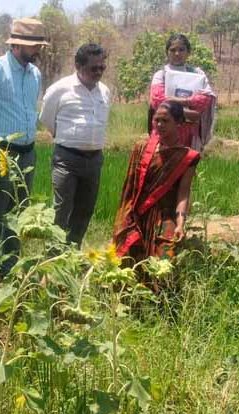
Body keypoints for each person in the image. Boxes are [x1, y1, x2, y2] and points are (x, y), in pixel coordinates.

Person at [0, 18, 49, 293]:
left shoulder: (35, 74)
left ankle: (11, 273)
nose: (37, 50)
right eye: (33, 45)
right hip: (1, 153)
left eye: (39, 45)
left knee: (18, 216)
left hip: (28, 154)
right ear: (17, 45)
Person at [40, 43, 110, 247]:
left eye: (102, 67)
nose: (98, 72)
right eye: (93, 68)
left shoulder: (104, 91)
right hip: (67, 159)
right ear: (78, 66)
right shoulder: (60, 89)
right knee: (61, 210)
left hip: (94, 159)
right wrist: (66, 137)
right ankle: (53, 257)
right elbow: (46, 119)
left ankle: (72, 254)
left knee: (84, 210)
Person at [113, 101, 200, 264]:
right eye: (156, 120)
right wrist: (127, 215)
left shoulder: (187, 157)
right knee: (129, 262)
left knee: (164, 260)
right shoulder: (142, 148)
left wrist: (180, 224)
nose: (159, 125)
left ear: (179, 122)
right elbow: (130, 188)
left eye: (165, 121)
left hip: (165, 215)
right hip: (137, 214)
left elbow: (183, 193)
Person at [148, 33, 216, 152]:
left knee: (187, 162)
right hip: (164, 132)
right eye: (173, 50)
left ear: (188, 52)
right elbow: (158, 101)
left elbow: (205, 99)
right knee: (162, 162)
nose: (177, 53)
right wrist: (188, 113)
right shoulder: (161, 75)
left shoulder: (198, 74)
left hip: (190, 134)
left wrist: (178, 100)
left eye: (181, 50)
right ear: (167, 52)